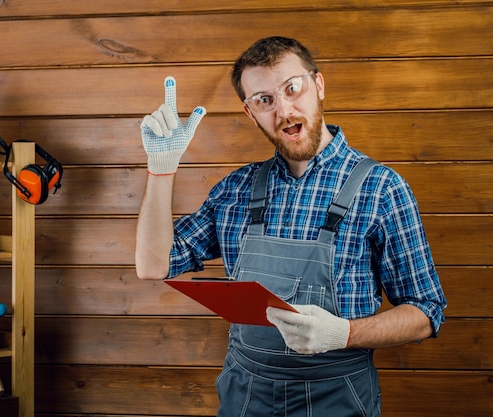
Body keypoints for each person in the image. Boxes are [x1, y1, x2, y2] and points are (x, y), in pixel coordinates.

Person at [135, 36, 446, 417]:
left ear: (318, 85)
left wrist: (344, 333)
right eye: (264, 100)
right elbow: (154, 265)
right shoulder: (237, 189)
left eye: (292, 88)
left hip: (337, 398)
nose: (283, 110)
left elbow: (426, 313)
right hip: (245, 396)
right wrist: (161, 169)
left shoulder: (382, 189)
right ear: (250, 113)